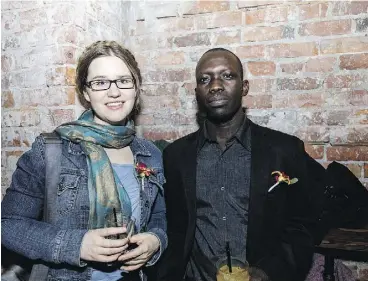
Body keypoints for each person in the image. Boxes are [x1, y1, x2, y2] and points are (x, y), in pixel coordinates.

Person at [1, 40, 167, 281]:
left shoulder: (150, 153)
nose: (114, 91)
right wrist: (76, 245)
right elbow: (7, 224)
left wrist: (155, 240)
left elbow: (159, 217)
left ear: (135, 88)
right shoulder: (52, 149)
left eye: (123, 80)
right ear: (86, 92)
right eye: (100, 83)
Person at [157, 48, 326, 281]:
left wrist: (267, 272)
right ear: (197, 93)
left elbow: (302, 226)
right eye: (205, 79)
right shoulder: (175, 156)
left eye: (227, 76)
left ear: (244, 87)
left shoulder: (284, 150)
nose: (215, 85)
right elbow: (173, 227)